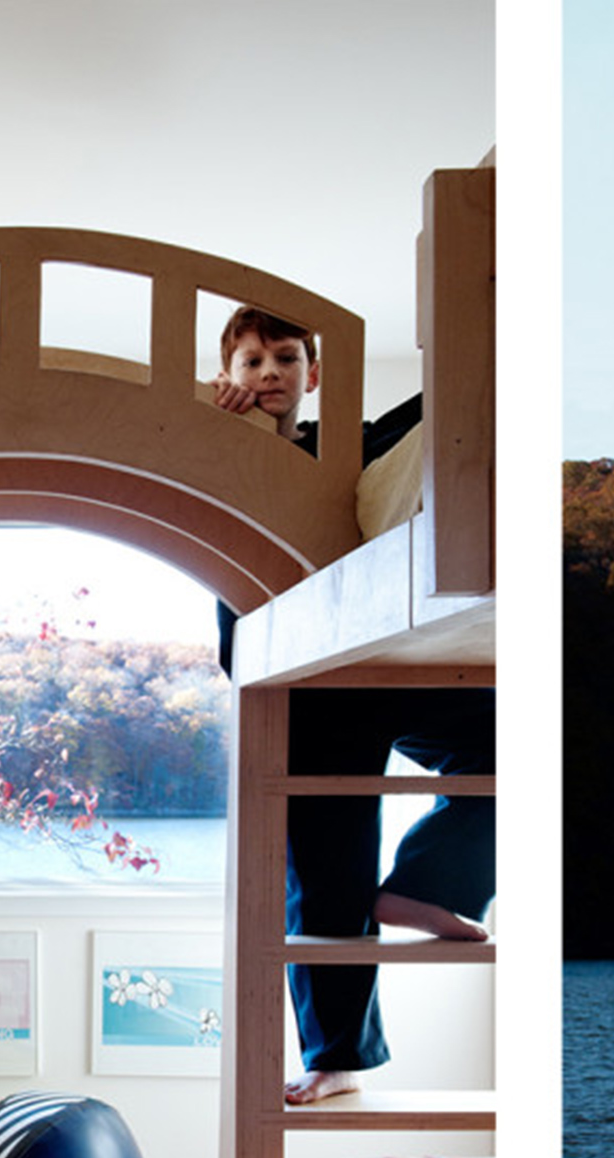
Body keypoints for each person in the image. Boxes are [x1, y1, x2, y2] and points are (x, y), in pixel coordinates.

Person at [212, 308, 496, 1105]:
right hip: (305, 677)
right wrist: (227, 437)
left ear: (313, 372)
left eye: (286, 357)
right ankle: (335, 1056)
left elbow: (440, 410)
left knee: (513, 742)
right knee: (327, 874)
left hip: (393, 657)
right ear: (228, 378)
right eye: (251, 361)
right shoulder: (222, 454)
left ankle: (430, 885)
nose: (269, 372)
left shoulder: (364, 448)